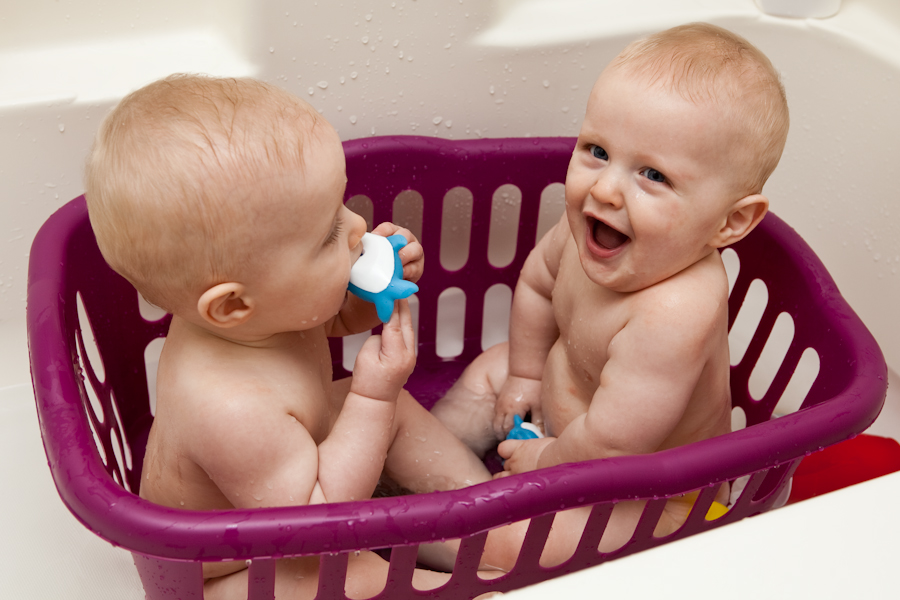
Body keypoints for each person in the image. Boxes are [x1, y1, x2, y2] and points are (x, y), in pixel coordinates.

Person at [84, 74, 493, 599]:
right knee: (348, 574)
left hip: (295, 477)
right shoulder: (230, 408)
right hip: (239, 569)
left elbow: (326, 321)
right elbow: (318, 522)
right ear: (232, 304)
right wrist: (373, 394)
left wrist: (368, 297)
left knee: (395, 412)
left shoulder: (257, 310)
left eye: (341, 206)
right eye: (329, 234)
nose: (357, 228)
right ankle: (474, 585)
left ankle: (492, 522)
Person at [430, 22, 789, 570]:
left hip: (651, 497)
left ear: (730, 222)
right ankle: (424, 471)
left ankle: (413, 541)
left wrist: (544, 459)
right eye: (597, 150)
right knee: (492, 368)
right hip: (562, 419)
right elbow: (535, 283)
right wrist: (525, 375)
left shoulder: (677, 309)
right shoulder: (587, 231)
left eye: (653, 175)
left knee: (515, 545)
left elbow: (614, 447)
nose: (603, 188)